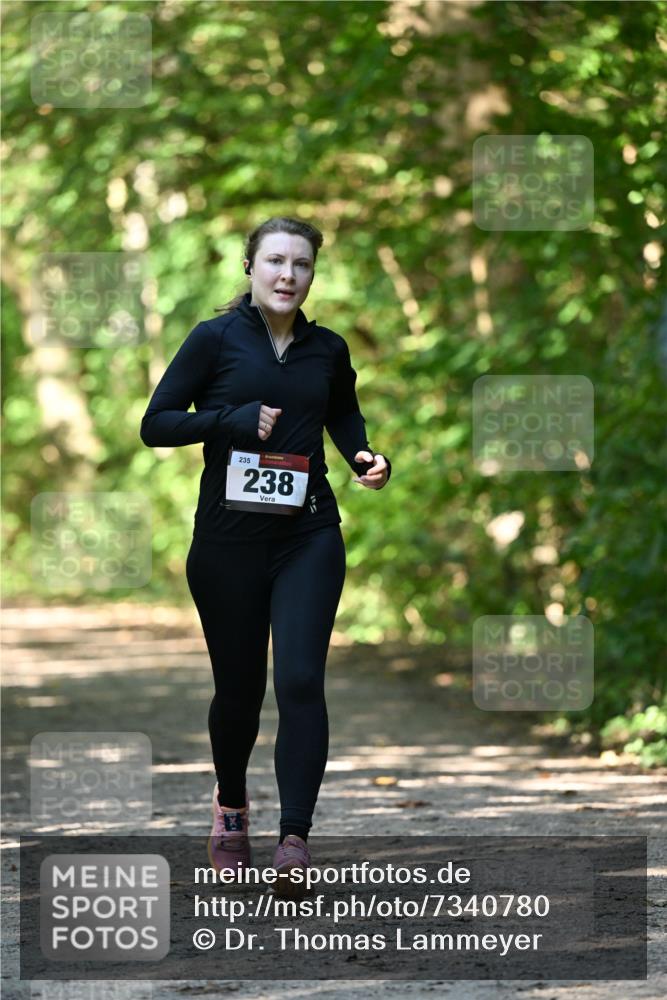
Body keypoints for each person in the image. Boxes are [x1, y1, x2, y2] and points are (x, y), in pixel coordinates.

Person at [140, 216, 391, 899]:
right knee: (239, 690)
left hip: (307, 535)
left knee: (302, 681)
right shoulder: (212, 340)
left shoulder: (328, 349)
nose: (287, 275)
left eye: (301, 265)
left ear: (312, 275)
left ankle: (293, 840)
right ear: (250, 267)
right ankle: (229, 806)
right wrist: (227, 418)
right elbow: (155, 424)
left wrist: (365, 457)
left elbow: (344, 414)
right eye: (275, 261)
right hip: (226, 545)